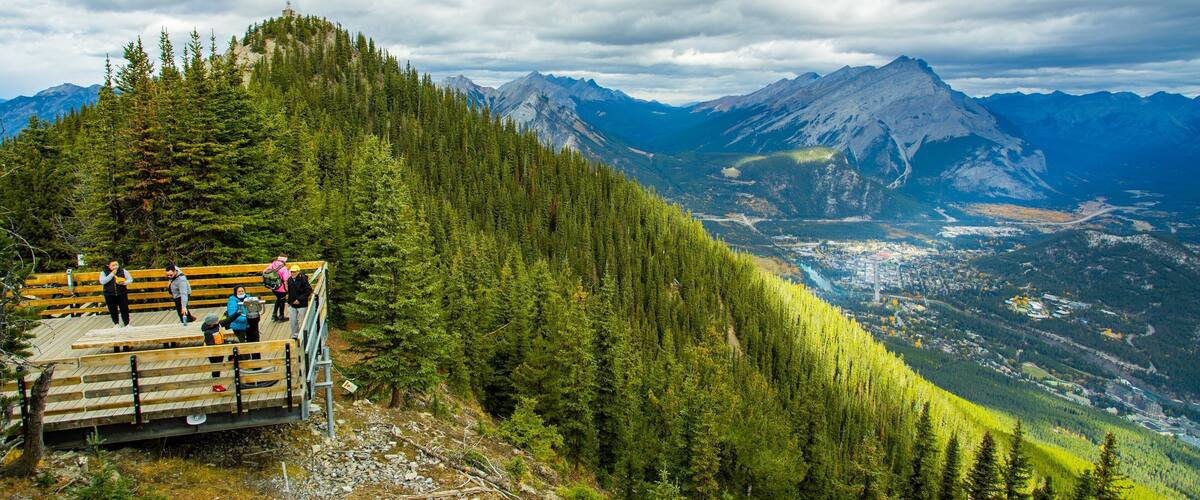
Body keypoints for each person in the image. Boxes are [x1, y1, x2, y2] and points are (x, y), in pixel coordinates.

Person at [99, 260, 133, 327]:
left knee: (124, 309)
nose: (115, 267)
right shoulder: (104, 272)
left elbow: (130, 279)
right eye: (113, 265)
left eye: (116, 265)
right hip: (109, 294)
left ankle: (127, 324)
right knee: (112, 309)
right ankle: (116, 324)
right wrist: (112, 274)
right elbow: (102, 281)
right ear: (108, 266)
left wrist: (124, 283)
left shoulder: (123, 271)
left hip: (121, 293)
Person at [200, 313, 227, 392]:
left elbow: (227, 321)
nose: (218, 321)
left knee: (219, 366)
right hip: (213, 353)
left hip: (220, 349)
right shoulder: (208, 332)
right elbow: (211, 345)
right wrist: (223, 344)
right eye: (216, 320)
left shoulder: (217, 325)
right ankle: (215, 385)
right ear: (212, 322)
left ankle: (217, 384)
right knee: (216, 368)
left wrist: (237, 313)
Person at [262, 253, 291, 322]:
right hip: (281, 288)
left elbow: (264, 272)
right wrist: (287, 289)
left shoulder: (272, 265)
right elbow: (286, 279)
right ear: (284, 260)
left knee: (278, 299)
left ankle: (274, 316)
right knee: (282, 301)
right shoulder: (284, 268)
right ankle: (281, 317)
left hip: (273, 287)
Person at [286, 264, 312, 339]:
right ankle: (295, 335)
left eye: (294, 272)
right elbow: (290, 292)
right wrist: (290, 302)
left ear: (298, 272)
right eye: (291, 271)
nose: (292, 273)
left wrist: (299, 299)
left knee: (303, 320)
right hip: (292, 303)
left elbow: (308, 291)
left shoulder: (303, 279)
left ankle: (306, 335)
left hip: (302, 304)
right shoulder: (290, 279)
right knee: (293, 320)